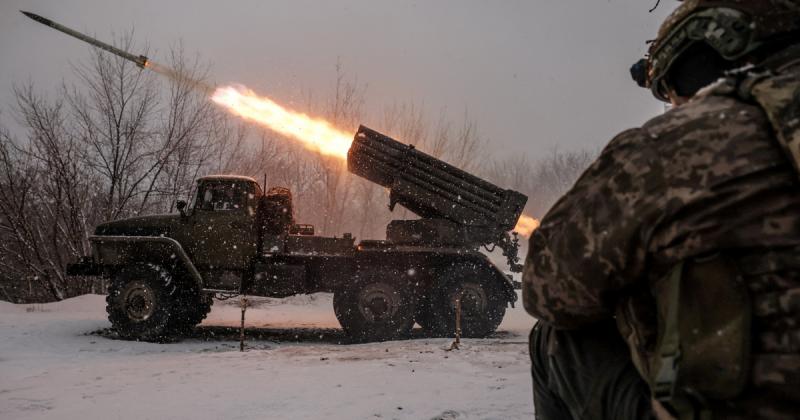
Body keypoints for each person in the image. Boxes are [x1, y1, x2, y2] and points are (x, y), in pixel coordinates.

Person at [522, 1, 800, 419]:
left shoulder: (675, 147)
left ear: (705, 60)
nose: (674, 107)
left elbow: (548, 289)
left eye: (673, 92)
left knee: (556, 337)